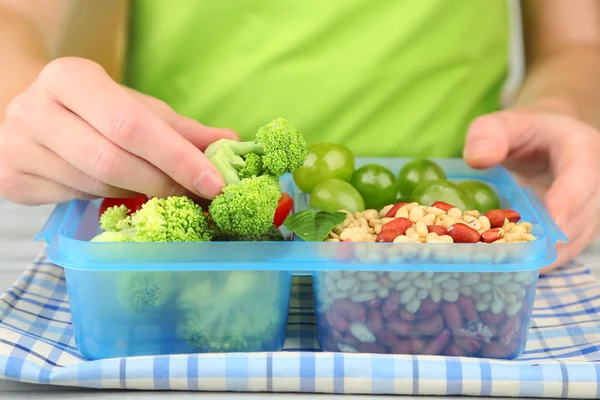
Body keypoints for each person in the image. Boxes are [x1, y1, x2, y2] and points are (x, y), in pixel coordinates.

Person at [0, 0, 598, 273]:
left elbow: (577, 42)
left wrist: (558, 108)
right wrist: (22, 101)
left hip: (450, 228)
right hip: (185, 223)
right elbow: (16, 18)